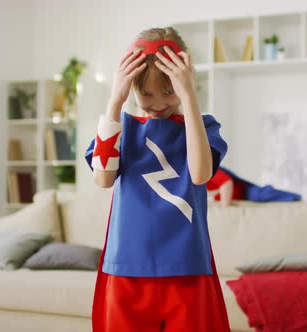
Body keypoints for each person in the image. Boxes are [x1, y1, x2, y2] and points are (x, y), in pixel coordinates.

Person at [84, 27, 231, 332]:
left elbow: (201, 173)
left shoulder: (203, 127)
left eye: (169, 91)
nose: (159, 102)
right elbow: (102, 177)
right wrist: (115, 99)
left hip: (187, 267)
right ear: (132, 88)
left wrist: (188, 95)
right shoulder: (120, 127)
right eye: (146, 93)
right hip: (126, 267)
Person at [207, 166, 302, 206]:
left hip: (245, 192)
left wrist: (225, 206)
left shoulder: (210, 170)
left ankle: (294, 198)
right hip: (238, 198)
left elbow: (226, 183)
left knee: (262, 194)